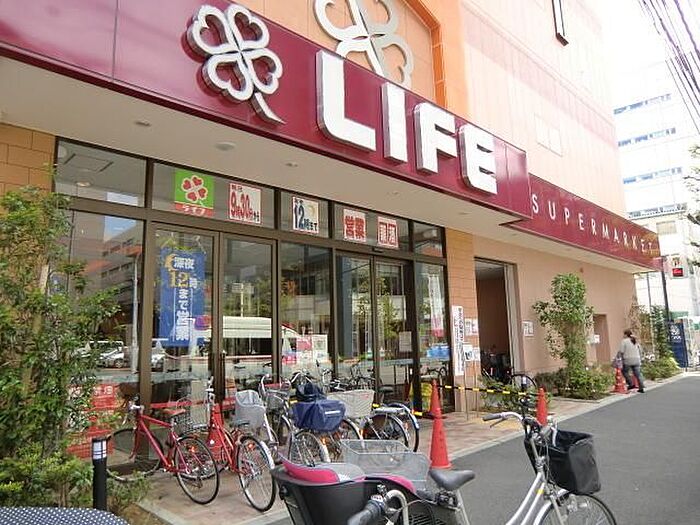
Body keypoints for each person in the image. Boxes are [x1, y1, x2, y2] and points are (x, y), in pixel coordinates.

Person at [618, 329, 645, 393]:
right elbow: (640, 350)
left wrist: (619, 358)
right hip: (637, 359)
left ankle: (631, 384)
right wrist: (640, 358)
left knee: (624, 371)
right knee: (638, 374)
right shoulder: (635, 341)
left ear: (626, 335)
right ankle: (641, 387)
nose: (623, 335)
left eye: (624, 334)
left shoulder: (624, 341)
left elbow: (621, 351)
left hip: (628, 360)